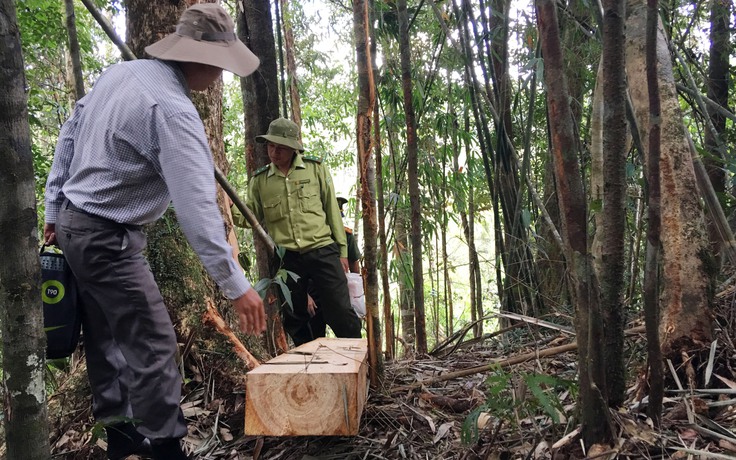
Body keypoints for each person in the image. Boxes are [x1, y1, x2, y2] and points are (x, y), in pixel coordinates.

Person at [42, 4, 266, 460]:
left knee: (106, 334)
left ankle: (121, 437)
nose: (221, 77)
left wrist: (52, 205)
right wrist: (236, 285)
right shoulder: (172, 110)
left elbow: (69, 132)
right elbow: (198, 207)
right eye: (221, 66)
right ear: (199, 58)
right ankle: (165, 447)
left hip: (73, 223)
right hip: (107, 239)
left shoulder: (120, 75)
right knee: (152, 339)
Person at [240, 117, 362, 346]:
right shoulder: (260, 180)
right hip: (287, 258)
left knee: (339, 310)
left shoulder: (315, 169)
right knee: (295, 316)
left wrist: (342, 251)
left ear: (293, 148)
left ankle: (358, 360)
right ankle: (308, 364)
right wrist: (225, 207)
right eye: (270, 146)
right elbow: (250, 215)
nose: (274, 152)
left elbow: (331, 210)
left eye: (281, 148)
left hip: (322, 249)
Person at [307, 196, 362, 338]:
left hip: (338, 291)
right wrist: (305, 296)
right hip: (313, 290)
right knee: (313, 334)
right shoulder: (309, 237)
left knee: (350, 329)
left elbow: (354, 267)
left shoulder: (346, 235)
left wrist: (358, 297)